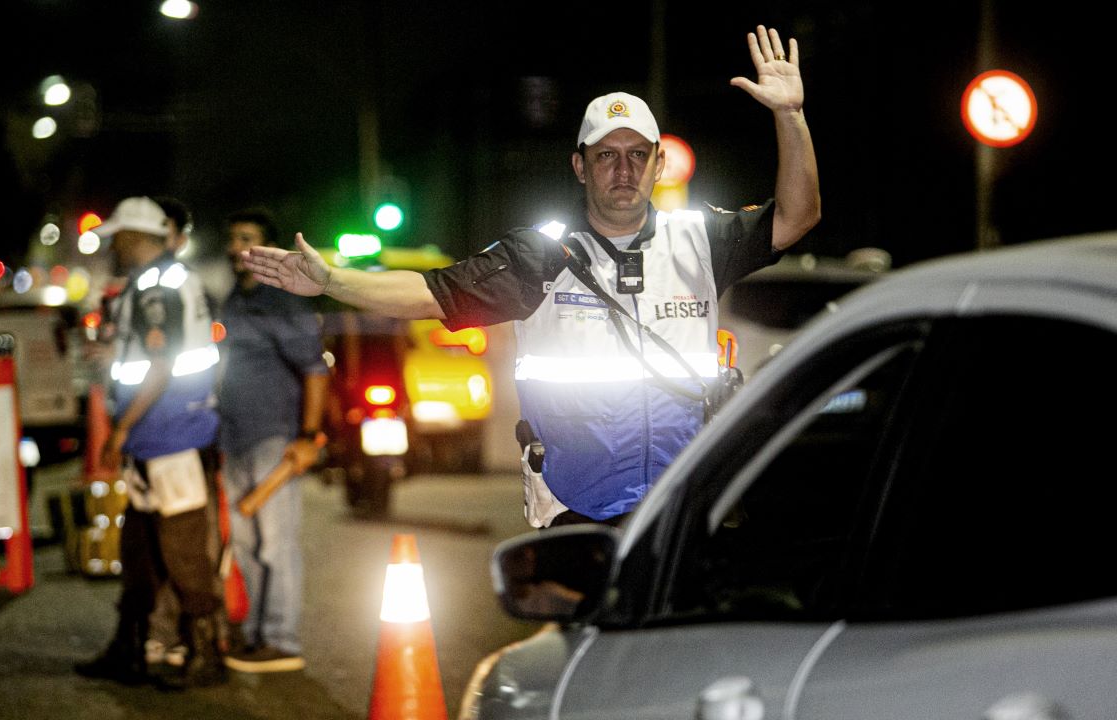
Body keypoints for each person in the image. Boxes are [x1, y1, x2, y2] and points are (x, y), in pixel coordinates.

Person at [241, 26, 820, 528]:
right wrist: (332, 281)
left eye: (636, 154)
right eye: (605, 156)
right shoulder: (542, 256)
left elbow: (797, 217)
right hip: (579, 507)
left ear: (657, 163)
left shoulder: (701, 240)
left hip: (686, 502)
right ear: (580, 166)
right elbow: (431, 292)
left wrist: (789, 116)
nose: (623, 169)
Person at [73, 196, 226, 688]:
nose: (113, 245)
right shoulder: (159, 281)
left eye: (118, 237)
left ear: (137, 237)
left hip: (168, 433)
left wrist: (119, 428)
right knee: (139, 547)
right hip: (156, 433)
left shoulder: (157, 287)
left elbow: (160, 366)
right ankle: (129, 647)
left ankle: (206, 651)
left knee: (182, 549)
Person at [218, 207, 328, 672]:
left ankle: (281, 639)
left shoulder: (284, 303)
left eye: (248, 239)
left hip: (274, 436)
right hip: (232, 437)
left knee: (276, 544)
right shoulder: (232, 303)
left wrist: (306, 436)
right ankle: (256, 634)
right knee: (245, 544)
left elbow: (315, 370)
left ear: (266, 250)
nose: (237, 248)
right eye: (233, 238)